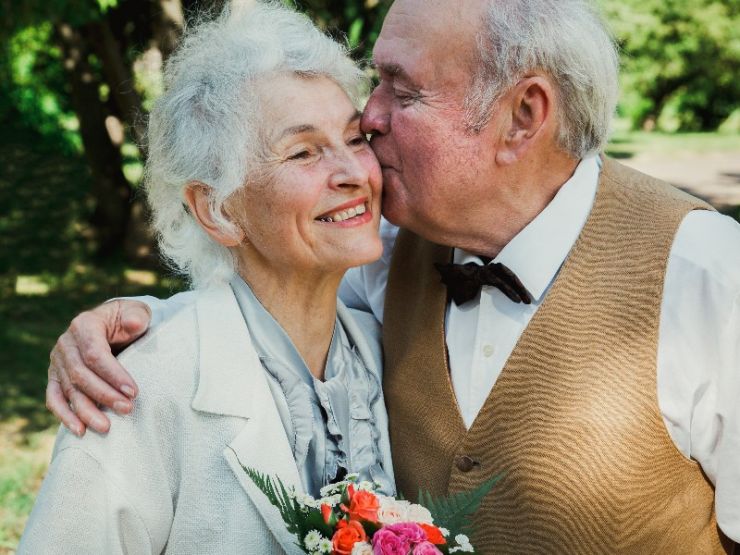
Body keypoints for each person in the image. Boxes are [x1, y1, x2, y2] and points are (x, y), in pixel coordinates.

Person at [46, 0, 740, 552]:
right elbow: (254, 293)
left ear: (522, 116)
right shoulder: (383, 261)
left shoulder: (707, 278)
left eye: (401, 92)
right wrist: (128, 326)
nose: (369, 124)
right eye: (374, 84)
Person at [20, 2, 396, 553]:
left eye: (355, 138)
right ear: (217, 209)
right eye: (303, 152)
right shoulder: (137, 390)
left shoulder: (382, 348)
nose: (354, 174)